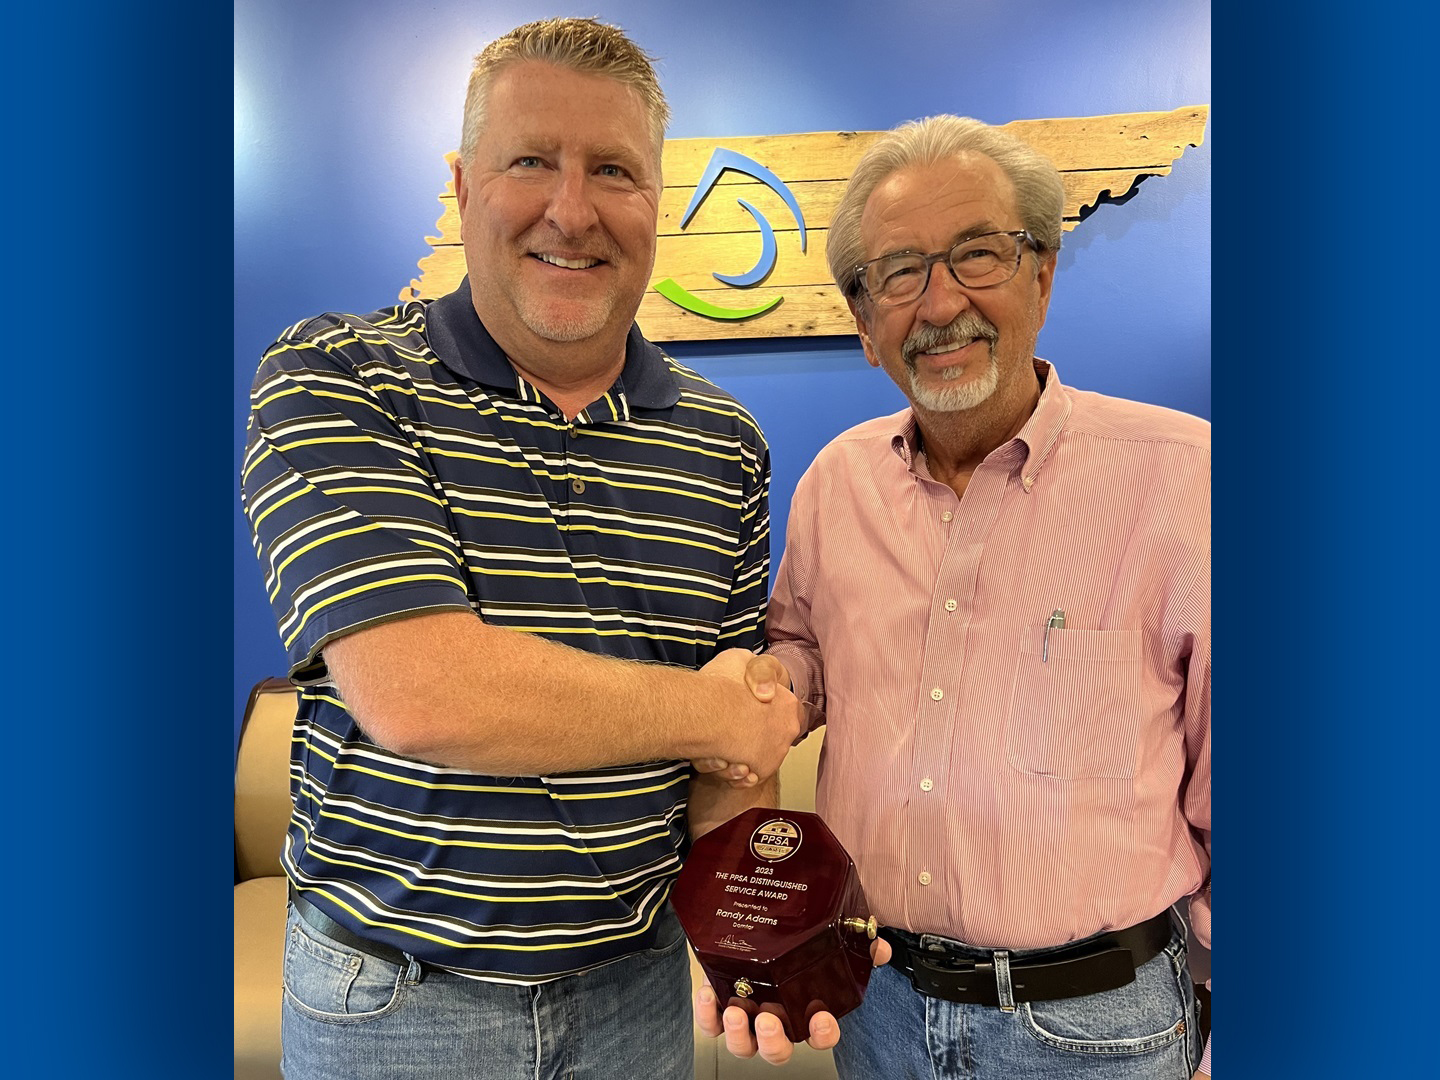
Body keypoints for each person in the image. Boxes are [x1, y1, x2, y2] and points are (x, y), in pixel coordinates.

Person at [240, 17, 804, 1080]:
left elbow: (734, 760)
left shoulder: (725, 444)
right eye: (531, 161)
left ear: (657, 204)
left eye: (615, 171)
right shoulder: (335, 379)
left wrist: (744, 934)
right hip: (399, 1003)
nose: (573, 209)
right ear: (463, 185)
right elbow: (424, 697)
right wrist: (716, 711)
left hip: (637, 996)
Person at [696, 114, 1211, 1078]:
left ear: (1042, 277)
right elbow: (807, 654)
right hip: (877, 1005)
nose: (939, 304)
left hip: (1098, 1026)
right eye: (898, 272)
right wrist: (753, 690)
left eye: (977, 254)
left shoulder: (1186, 477)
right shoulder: (836, 483)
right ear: (863, 324)